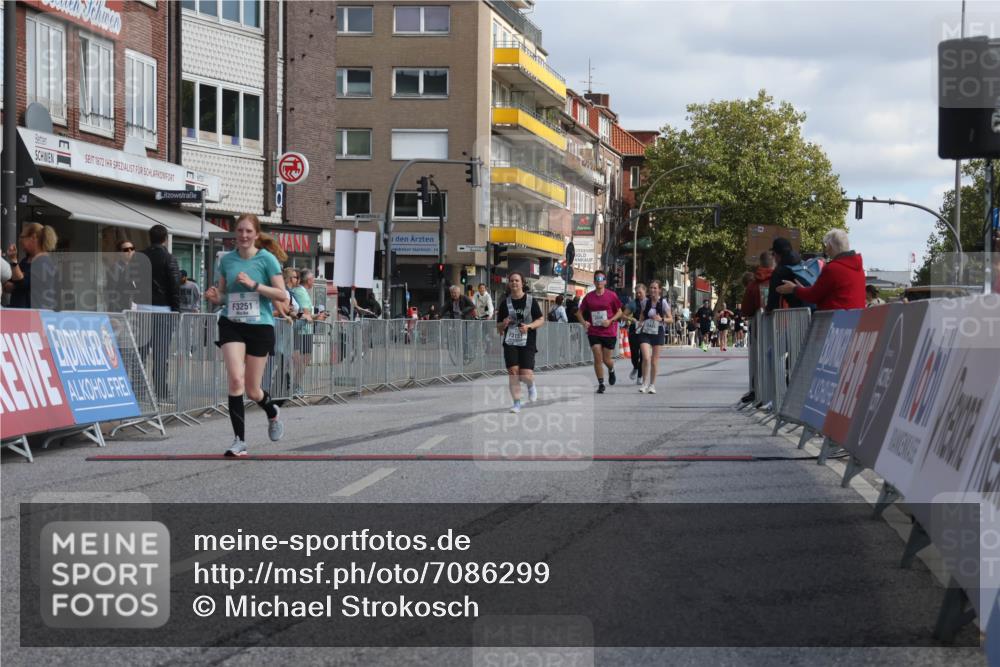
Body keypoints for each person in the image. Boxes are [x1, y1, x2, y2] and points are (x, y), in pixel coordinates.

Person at [204, 213, 289, 457]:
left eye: (248, 232)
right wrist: (215, 297)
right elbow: (223, 294)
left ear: (256, 234)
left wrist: (254, 285)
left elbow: (282, 295)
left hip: (260, 326)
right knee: (235, 381)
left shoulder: (267, 259)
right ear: (234, 233)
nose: (243, 236)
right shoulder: (227, 261)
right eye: (240, 231)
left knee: (253, 390)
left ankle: (271, 411)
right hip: (232, 323)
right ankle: (239, 441)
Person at [776, 229, 866, 311]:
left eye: (826, 246)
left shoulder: (832, 268)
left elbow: (813, 296)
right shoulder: (859, 269)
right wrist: (802, 289)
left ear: (830, 246)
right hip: (855, 321)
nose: (826, 250)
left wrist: (794, 289)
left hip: (835, 322)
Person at [496, 272, 544, 413]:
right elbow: (498, 327)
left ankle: (530, 385)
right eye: (511, 280)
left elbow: (541, 319)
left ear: (522, 283)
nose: (514, 283)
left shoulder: (531, 300)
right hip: (511, 340)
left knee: (525, 374)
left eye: (517, 280)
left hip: (527, 340)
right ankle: (517, 403)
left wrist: (529, 326)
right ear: (509, 284)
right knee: (513, 372)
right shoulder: (505, 303)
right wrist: (503, 324)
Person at [577, 270, 623, 393]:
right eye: (597, 279)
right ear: (594, 282)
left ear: (605, 281)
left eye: (601, 279)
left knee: (606, 360)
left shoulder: (611, 295)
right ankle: (601, 383)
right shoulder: (589, 297)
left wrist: (610, 320)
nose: (599, 282)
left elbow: (620, 312)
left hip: (609, 331)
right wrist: (584, 322)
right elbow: (579, 312)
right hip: (594, 331)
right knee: (598, 357)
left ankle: (611, 369)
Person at [4, 223, 58, 309]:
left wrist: (14, 261)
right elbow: (8, 285)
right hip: (19, 313)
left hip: (32, 316)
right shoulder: (25, 261)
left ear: (33, 237)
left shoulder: (44, 263)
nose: (20, 241)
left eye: (22, 237)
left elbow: (21, 282)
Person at [635, 280, 672, 394]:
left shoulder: (664, 303)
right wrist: (640, 322)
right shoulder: (645, 302)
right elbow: (642, 315)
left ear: (659, 290)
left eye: (655, 288)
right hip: (646, 331)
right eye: (651, 288)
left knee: (654, 361)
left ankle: (652, 385)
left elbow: (670, 319)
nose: (652, 290)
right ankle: (644, 383)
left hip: (658, 331)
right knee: (646, 357)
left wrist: (661, 319)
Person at [291, 269, 315, 396]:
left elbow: (307, 314)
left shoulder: (302, 291)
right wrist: (314, 317)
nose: (314, 282)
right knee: (299, 362)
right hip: (301, 330)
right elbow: (306, 313)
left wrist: (315, 316)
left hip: (306, 330)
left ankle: (295, 385)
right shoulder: (300, 291)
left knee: (305, 360)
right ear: (309, 280)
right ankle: (294, 386)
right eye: (313, 279)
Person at [766, 239, 807, 312]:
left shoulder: (779, 272)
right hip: (815, 310)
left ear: (776, 254)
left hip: (797, 314)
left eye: (773, 254)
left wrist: (768, 311)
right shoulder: (803, 264)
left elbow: (773, 301)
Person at [105, 238, 143, 311]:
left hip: (135, 309)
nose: (130, 251)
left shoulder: (136, 267)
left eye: (132, 248)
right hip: (120, 310)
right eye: (126, 250)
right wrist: (114, 315)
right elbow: (111, 293)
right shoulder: (115, 268)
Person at [625, 284, 646, 384]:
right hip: (634, 330)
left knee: (643, 355)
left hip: (646, 331)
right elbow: (623, 315)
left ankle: (640, 377)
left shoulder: (649, 303)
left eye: (640, 292)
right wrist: (631, 319)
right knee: (634, 354)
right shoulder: (633, 303)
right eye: (636, 292)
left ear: (645, 292)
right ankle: (635, 367)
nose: (638, 294)